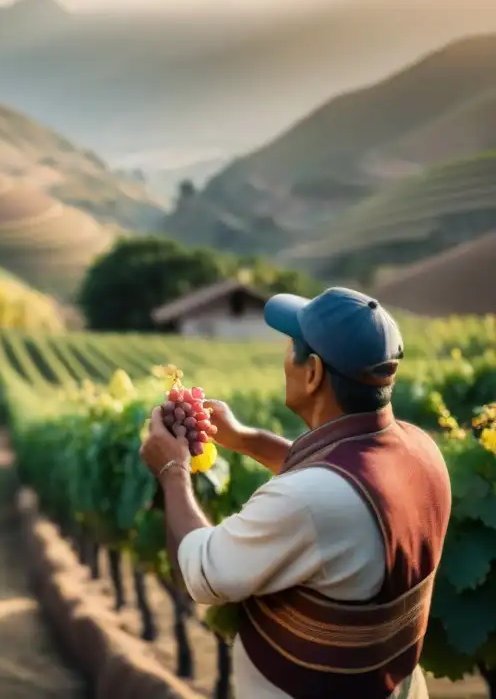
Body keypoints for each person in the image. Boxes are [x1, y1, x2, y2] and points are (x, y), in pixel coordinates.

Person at [139, 287, 452, 699]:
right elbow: (346, 486)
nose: (284, 357)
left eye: (291, 347)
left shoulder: (307, 501)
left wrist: (172, 469)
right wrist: (246, 439)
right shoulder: (420, 451)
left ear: (314, 372)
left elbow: (199, 571)